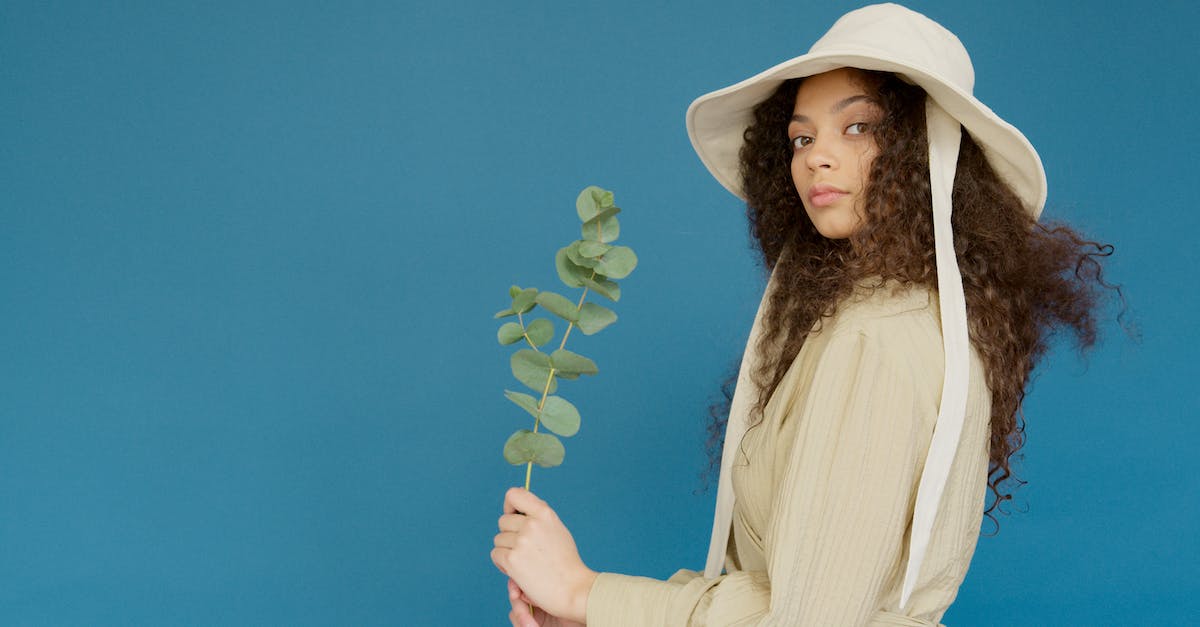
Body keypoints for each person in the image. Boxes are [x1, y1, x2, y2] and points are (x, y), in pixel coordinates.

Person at [490, 4, 1114, 625]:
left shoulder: (877, 338)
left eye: (859, 127)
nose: (816, 157)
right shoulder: (875, 319)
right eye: (801, 137)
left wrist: (585, 591)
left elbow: (809, 618)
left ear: (923, 154)